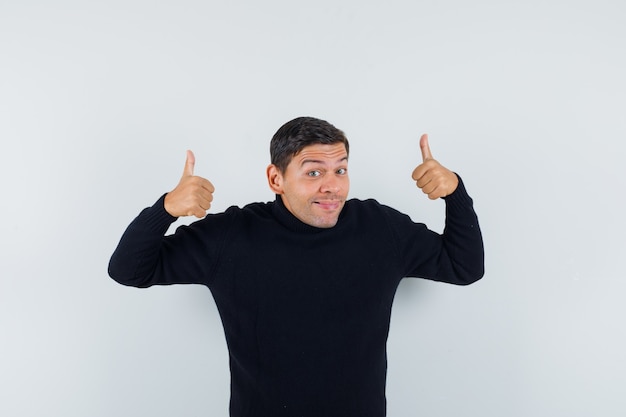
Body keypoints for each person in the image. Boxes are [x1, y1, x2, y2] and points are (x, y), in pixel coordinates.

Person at [108, 116, 484, 417]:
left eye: (340, 170)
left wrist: (455, 193)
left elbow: (464, 267)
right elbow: (129, 270)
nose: (332, 187)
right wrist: (165, 210)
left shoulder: (380, 228)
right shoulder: (231, 236)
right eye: (313, 172)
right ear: (276, 178)